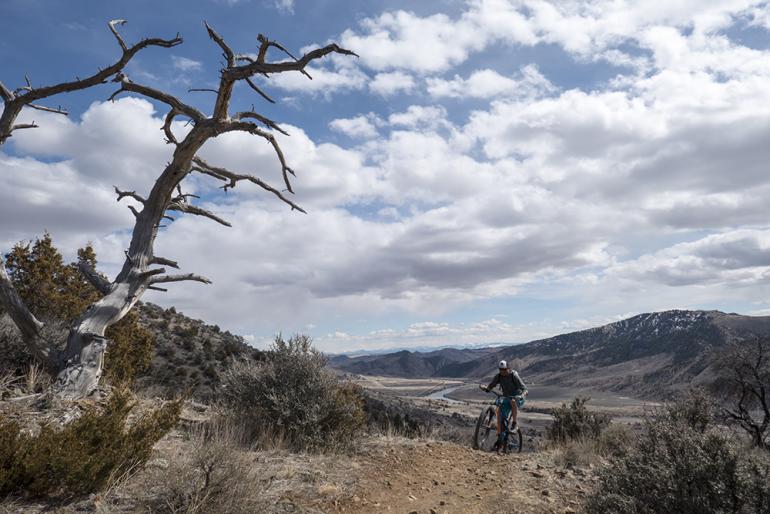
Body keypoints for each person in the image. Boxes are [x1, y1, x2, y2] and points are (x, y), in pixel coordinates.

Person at [482, 360, 528, 453]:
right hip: (507, 398)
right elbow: (491, 385)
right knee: (499, 416)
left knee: (512, 401)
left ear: (508, 368)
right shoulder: (499, 376)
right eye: (500, 369)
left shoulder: (513, 375)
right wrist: (487, 389)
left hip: (517, 397)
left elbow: (525, 388)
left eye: (504, 369)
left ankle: (514, 424)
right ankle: (500, 439)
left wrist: (522, 395)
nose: (502, 371)